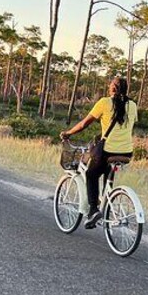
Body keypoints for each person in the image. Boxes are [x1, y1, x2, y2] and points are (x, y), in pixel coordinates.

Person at [61, 77, 138, 229]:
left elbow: (84, 124)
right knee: (106, 174)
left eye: (110, 85)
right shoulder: (133, 105)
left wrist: (68, 133)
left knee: (91, 174)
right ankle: (105, 204)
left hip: (107, 151)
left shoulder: (104, 102)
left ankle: (93, 211)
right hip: (126, 152)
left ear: (113, 88)